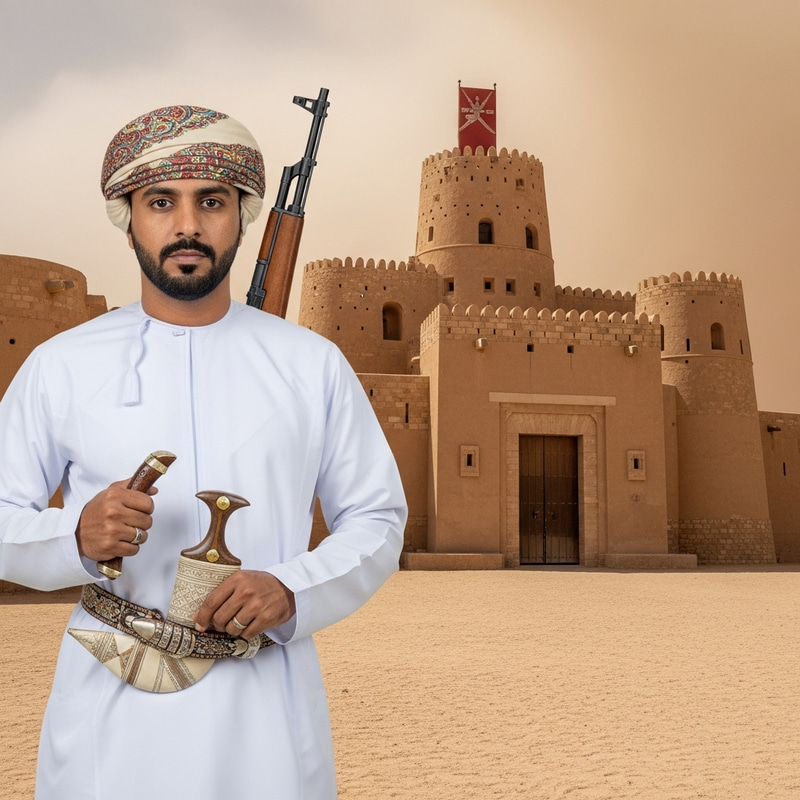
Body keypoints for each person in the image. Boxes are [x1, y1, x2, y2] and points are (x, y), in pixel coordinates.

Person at [0, 105, 407, 799]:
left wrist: (291, 591)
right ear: (128, 216)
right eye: (162, 202)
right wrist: (75, 535)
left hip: (264, 716)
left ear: (242, 217)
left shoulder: (311, 364)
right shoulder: (60, 366)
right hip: (110, 716)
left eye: (211, 202)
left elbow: (377, 519)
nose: (187, 225)